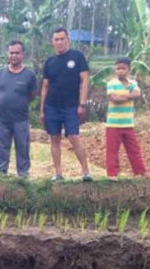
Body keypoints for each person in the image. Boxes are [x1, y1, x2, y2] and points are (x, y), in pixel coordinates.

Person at [41, 27, 92, 182]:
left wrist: (82, 104)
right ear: (52, 42)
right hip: (52, 106)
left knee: (74, 137)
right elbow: (45, 86)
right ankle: (58, 173)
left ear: (68, 40)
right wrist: (42, 110)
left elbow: (84, 80)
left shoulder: (77, 57)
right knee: (54, 138)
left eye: (62, 39)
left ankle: (86, 171)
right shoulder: (50, 62)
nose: (59, 42)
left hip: (71, 106)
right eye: (56, 39)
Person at [0, 40, 37, 178]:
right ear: (8, 54)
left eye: (17, 53)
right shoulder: (0, 73)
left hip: (21, 119)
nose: (14, 56)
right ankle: (1, 174)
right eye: (11, 53)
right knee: (2, 148)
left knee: (22, 147)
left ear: (23, 55)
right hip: (2, 118)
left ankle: (23, 176)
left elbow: (32, 95)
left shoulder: (29, 75)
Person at [105, 57, 148, 180]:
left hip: (128, 123)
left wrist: (122, 97)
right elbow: (114, 98)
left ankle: (140, 172)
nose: (120, 71)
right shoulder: (111, 83)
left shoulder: (132, 83)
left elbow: (137, 94)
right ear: (115, 69)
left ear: (128, 69)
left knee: (134, 149)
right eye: (118, 68)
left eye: (123, 68)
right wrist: (129, 96)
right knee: (112, 150)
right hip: (113, 123)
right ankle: (112, 175)